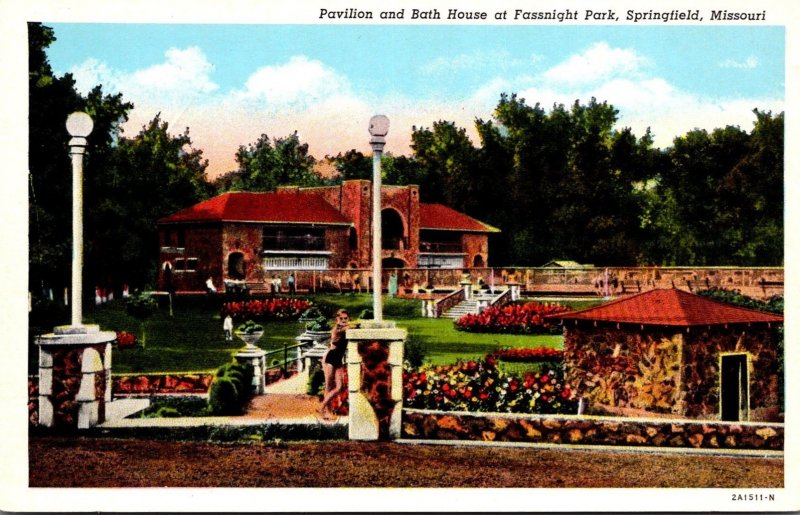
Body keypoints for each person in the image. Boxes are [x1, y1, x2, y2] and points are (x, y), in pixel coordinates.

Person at [318, 309, 351, 420]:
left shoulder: (345, 329)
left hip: (338, 359)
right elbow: (349, 328)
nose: (343, 320)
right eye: (340, 318)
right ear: (337, 319)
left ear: (348, 318)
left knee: (339, 386)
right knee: (329, 385)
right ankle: (325, 410)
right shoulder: (338, 330)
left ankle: (323, 407)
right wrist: (351, 324)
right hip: (331, 358)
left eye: (345, 318)